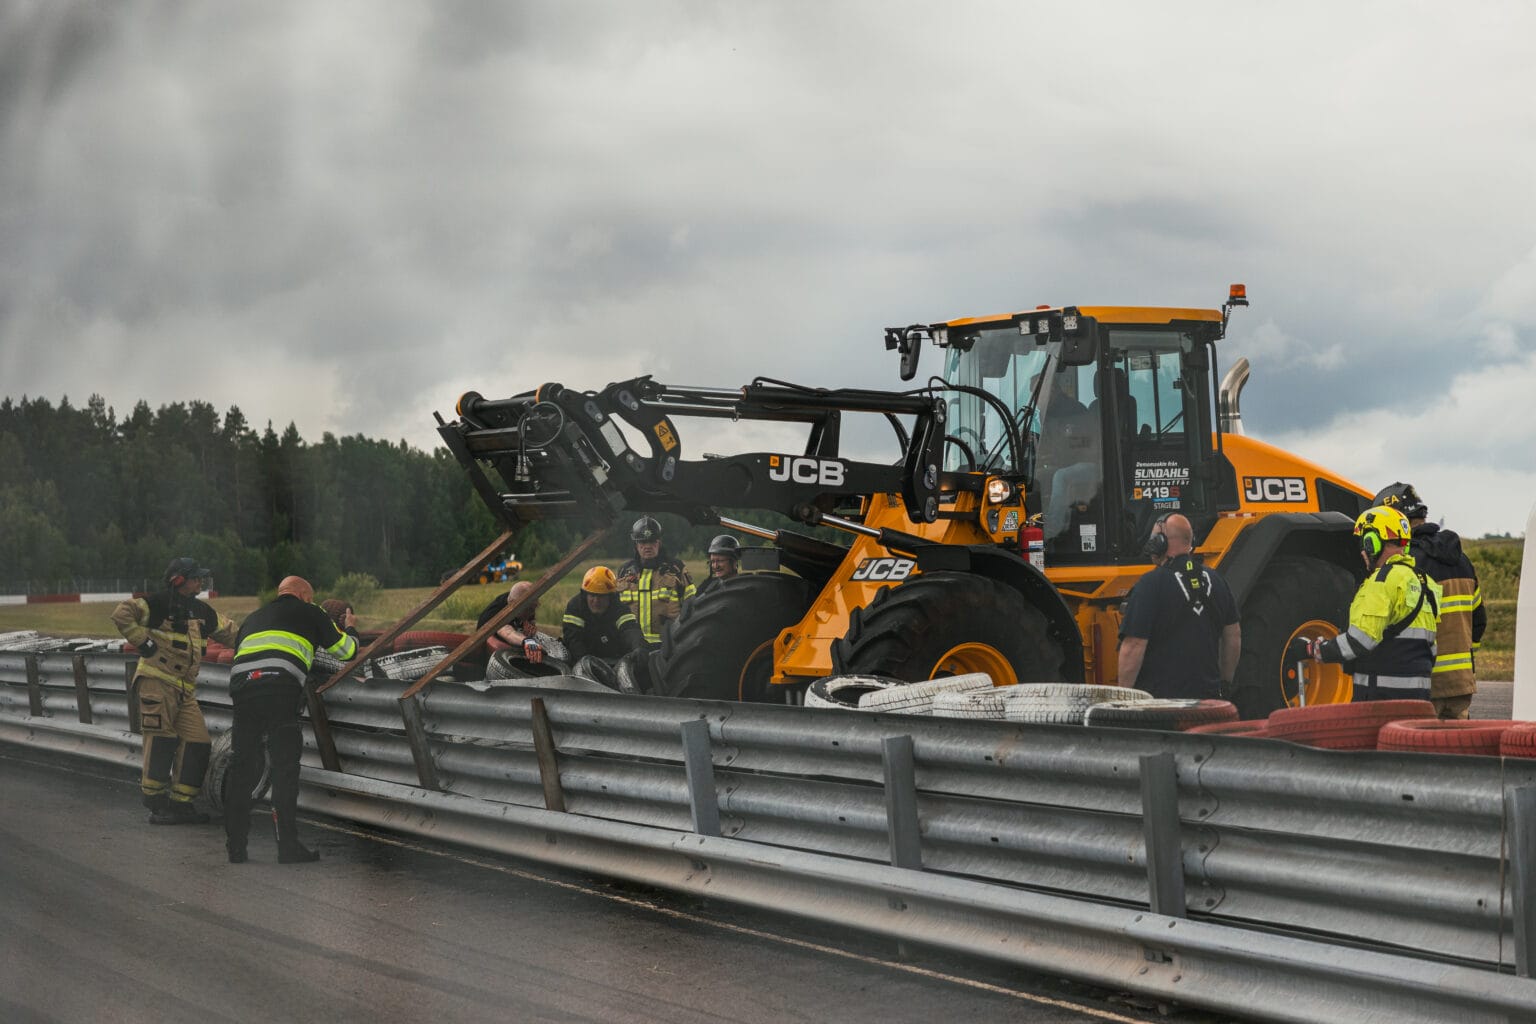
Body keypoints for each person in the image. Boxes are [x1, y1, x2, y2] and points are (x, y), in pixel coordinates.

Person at [224, 575, 358, 864]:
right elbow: (347, 652)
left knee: (242, 766)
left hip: (243, 688)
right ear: (305, 596)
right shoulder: (312, 612)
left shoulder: (253, 617)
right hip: (279, 689)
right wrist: (350, 628)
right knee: (285, 768)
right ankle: (288, 847)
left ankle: (236, 847)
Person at [111, 557, 239, 824]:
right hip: (156, 683)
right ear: (178, 580)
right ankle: (156, 803)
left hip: (184, 691)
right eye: (195, 578)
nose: (200, 582)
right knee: (161, 742)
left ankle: (181, 804)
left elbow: (232, 633)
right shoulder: (157, 603)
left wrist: (259, 635)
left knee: (198, 742)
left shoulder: (202, 611)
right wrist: (143, 644)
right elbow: (122, 613)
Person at [1307, 505, 1442, 703]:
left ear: (1373, 542)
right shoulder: (1425, 582)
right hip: (1419, 700)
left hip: (1380, 701)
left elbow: (1360, 641)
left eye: (1365, 542)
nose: (1362, 551)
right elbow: (1431, 648)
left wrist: (1316, 649)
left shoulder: (1382, 581)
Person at [1373, 483, 1482, 717]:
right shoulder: (1462, 561)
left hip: (1422, 682)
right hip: (1460, 684)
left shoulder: (1405, 564)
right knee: (1460, 748)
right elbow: (1479, 621)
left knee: (1422, 748)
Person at [1117, 513, 1241, 699]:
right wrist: (1224, 684)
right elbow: (1233, 636)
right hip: (1208, 703)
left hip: (1162, 706)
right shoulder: (1217, 580)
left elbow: (1134, 645)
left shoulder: (1150, 584)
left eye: (1153, 539)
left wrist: (1124, 698)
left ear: (1161, 542)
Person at [616, 515, 695, 644]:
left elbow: (692, 606)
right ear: (636, 545)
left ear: (659, 543)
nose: (648, 546)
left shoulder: (676, 569)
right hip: (632, 648)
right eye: (643, 542)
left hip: (669, 647)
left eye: (652, 542)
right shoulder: (624, 572)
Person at [561, 566, 643, 664]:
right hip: (582, 660)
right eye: (592, 595)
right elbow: (573, 639)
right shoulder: (576, 607)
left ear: (610, 597)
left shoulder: (620, 608)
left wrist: (638, 647)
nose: (596, 601)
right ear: (585, 595)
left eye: (601, 596)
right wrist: (587, 663)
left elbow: (630, 630)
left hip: (614, 658)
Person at [478, 579, 564, 670]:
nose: (532, 612)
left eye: (534, 608)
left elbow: (530, 619)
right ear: (513, 604)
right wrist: (527, 641)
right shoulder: (496, 613)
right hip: (488, 654)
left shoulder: (521, 600)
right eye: (529, 609)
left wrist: (530, 624)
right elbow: (506, 632)